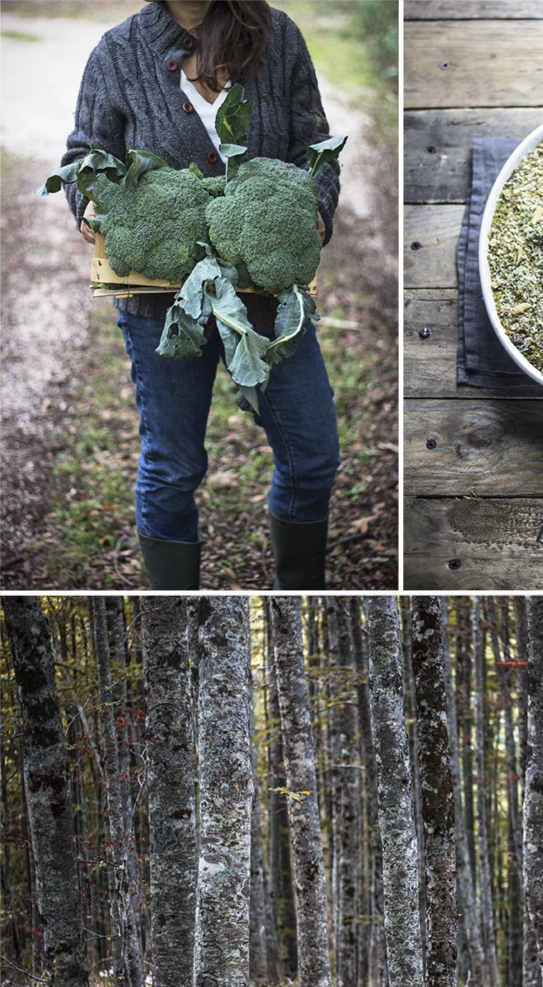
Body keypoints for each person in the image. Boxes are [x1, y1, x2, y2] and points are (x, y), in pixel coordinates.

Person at [62, 0, 341, 590]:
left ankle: (300, 592)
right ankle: (176, 615)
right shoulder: (118, 53)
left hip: (267, 298)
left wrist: (315, 206)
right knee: (173, 467)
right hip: (160, 308)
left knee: (311, 456)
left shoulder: (277, 35)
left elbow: (314, 147)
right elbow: (85, 157)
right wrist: (86, 201)